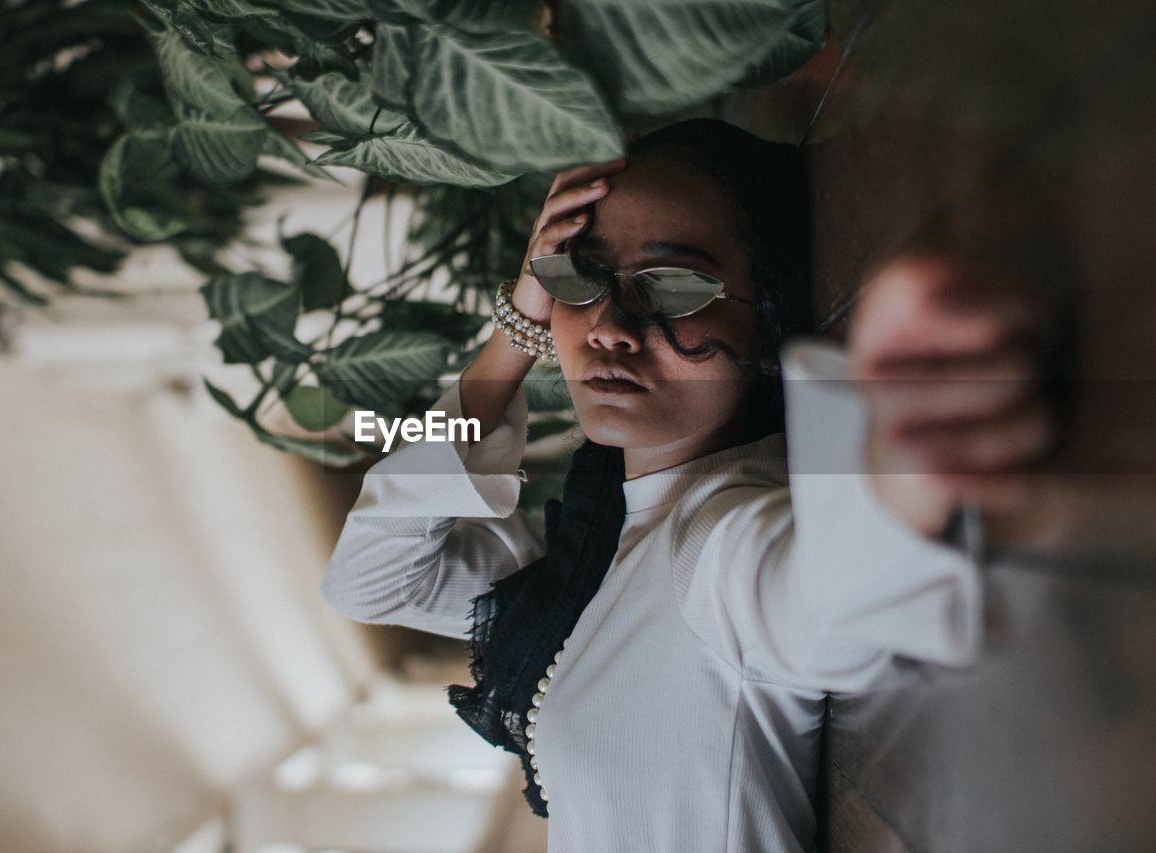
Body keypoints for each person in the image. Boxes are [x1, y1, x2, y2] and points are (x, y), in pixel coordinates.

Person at [322, 120, 1055, 851]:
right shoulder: (590, 553)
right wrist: (518, 328)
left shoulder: (715, 538)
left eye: (672, 284)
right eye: (580, 276)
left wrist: (900, 463)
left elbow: (820, 597)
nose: (611, 325)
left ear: (769, 318)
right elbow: (369, 581)